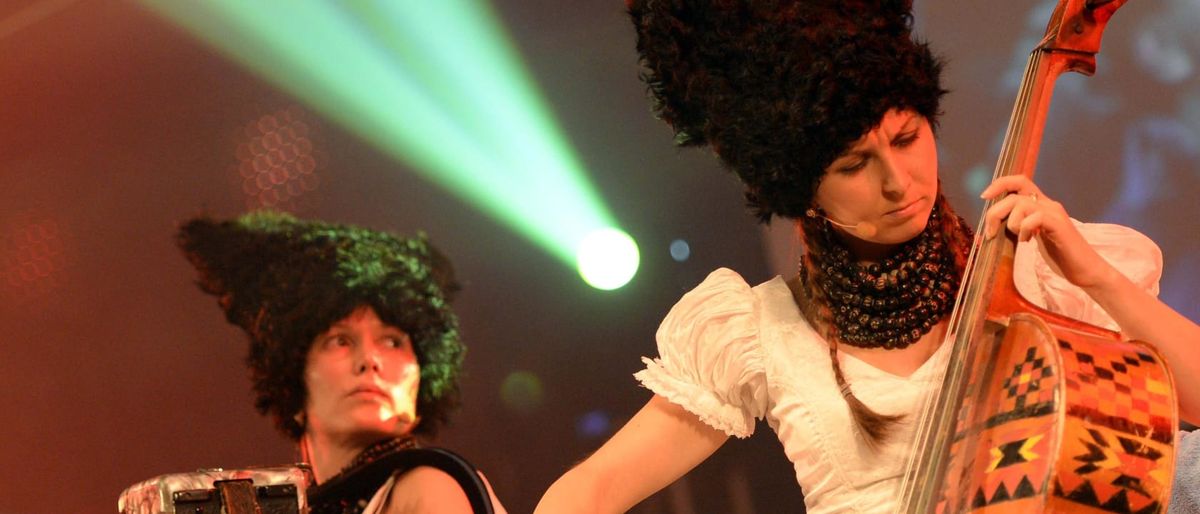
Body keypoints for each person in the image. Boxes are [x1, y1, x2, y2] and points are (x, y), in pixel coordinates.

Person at [535, 1, 1197, 512]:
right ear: (803, 188)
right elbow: (591, 491)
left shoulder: (1042, 271)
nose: (899, 182)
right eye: (855, 163)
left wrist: (1094, 276)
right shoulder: (758, 332)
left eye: (908, 138)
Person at [177, 211, 506, 514]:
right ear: (294, 384)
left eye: (392, 341)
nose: (369, 360)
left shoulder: (429, 483)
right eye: (341, 341)